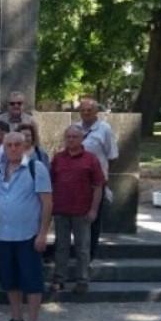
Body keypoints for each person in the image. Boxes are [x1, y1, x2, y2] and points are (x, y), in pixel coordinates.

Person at [0, 132, 52, 321]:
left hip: (28, 236)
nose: (13, 148)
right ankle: (16, 318)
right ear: (3, 148)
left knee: (31, 281)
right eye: (9, 145)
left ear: (24, 147)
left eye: (17, 145)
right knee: (10, 280)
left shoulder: (36, 168)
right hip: (5, 235)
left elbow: (47, 203)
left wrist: (43, 233)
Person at [49, 126, 106, 294]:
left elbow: (98, 185)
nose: (71, 139)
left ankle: (82, 279)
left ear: (81, 139)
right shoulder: (58, 158)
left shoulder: (91, 159)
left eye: (75, 136)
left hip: (82, 211)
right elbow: (51, 182)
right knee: (61, 246)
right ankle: (59, 278)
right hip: (61, 210)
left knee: (82, 247)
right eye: (68, 137)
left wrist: (94, 209)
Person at [74, 97, 119, 260]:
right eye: (83, 110)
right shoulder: (74, 128)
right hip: (77, 182)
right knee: (77, 219)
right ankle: (79, 251)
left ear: (96, 112)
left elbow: (112, 156)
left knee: (93, 219)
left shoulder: (104, 129)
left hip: (95, 183)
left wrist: (101, 175)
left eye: (89, 110)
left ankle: (90, 255)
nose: (86, 113)